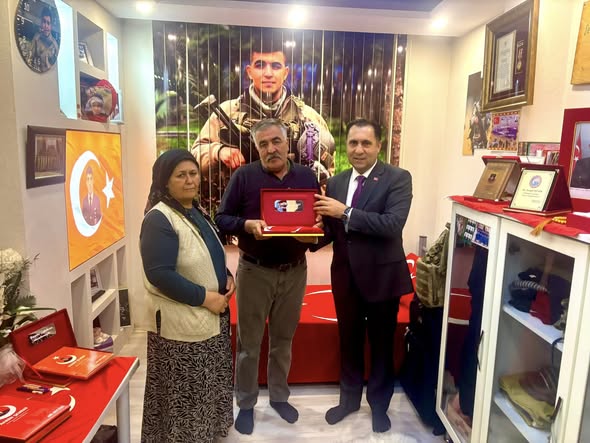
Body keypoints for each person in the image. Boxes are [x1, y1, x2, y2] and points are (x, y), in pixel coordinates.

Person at [214, 119, 320, 435]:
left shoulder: (306, 177)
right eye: (263, 144)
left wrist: (314, 234)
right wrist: (246, 225)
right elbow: (222, 218)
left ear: (287, 143)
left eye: (276, 141)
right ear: (257, 147)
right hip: (255, 271)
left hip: (295, 271)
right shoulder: (244, 176)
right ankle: (246, 404)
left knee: (283, 340)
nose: (271, 149)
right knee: (249, 343)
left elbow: (318, 221)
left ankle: (279, 397)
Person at [313, 119, 413, 433]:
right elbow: (332, 231)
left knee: (382, 344)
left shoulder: (398, 178)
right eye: (353, 143)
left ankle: (379, 406)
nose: (358, 149)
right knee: (349, 341)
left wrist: (344, 212)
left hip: (383, 278)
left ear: (378, 146)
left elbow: (391, 225)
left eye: (366, 143)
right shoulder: (337, 182)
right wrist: (303, 234)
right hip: (346, 278)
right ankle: (349, 401)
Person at [140, 149, 235, 442]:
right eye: (180, 175)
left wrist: (227, 277)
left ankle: (209, 432)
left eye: (193, 173)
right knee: (187, 392)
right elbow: (160, 274)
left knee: (208, 384)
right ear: (164, 181)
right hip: (183, 325)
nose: (190, 180)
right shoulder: (159, 219)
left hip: (210, 318)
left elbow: (208, 251)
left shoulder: (195, 210)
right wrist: (208, 298)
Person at [192, 31, 335, 211]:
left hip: (293, 214)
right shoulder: (227, 113)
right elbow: (195, 154)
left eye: (276, 66)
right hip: (241, 214)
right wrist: (218, 151)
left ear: (285, 72)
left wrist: (318, 212)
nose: (268, 73)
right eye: (260, 65)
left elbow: (327, 173)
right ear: (249, 72)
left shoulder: (308, 117)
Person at [29, 6, 59, 73]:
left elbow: (57, 68)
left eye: (48, 23)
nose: (46, 26)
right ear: (41, 23)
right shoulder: (36, 39)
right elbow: (30, 59)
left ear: (51, 26)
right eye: (44, 22)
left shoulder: (55, 45)